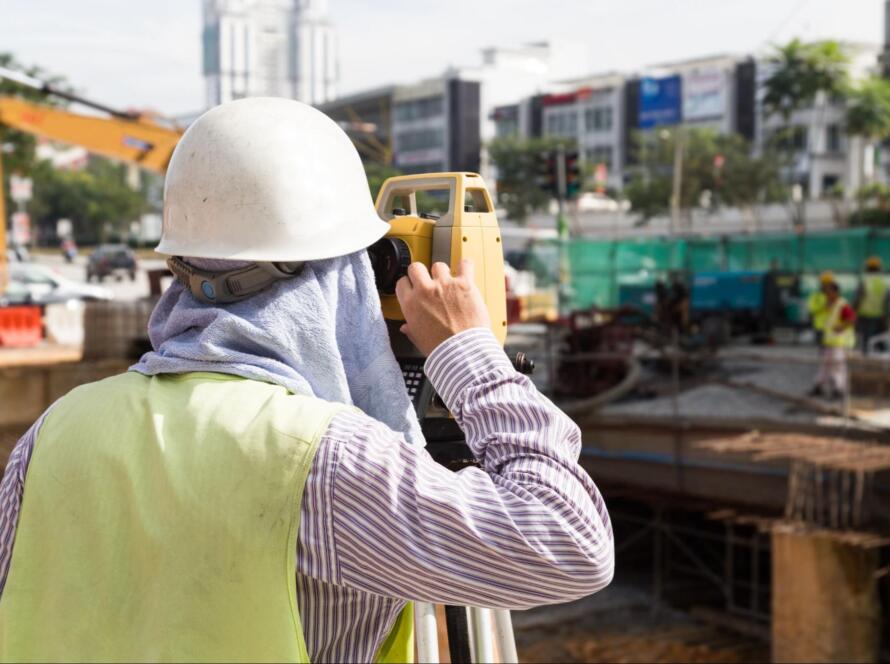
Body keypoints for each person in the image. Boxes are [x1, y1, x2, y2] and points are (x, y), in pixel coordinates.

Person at [0, 98, 614, 662]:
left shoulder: (55, 432)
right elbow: (571, 544)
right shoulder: (319, 460)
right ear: (339, 273)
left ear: (183, 263)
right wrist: (468, 353)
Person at [809, 280, 856, 400]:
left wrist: (841, 327)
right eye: (825, 292)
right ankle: (819, 386)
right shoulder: (830, 304)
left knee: (838, 367)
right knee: (825, 365)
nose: (826, 295)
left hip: (839, 343)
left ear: (836, 292)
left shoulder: (842, 304)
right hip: (829, 341)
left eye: (829, 292)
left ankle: (839, 389)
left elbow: (851, 318)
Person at [854, 255, 887, 354]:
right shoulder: (884, 283)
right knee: (880, 342)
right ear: (879, 268)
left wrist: (854, 314)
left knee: (866, 343)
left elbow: (857, 299)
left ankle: (867, 365)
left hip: (865, 316)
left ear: (867, 268)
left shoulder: (864, 282)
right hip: (880, 316)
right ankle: (882, 366)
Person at [806, 271, 834, 347]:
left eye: (829, 284)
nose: (827, 286)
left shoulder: (834, 296)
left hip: (832, 326)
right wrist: (823, 306)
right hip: (820, 326)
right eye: (825, 283)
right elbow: (812, 309)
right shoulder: (815, 296)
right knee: (822, 346)